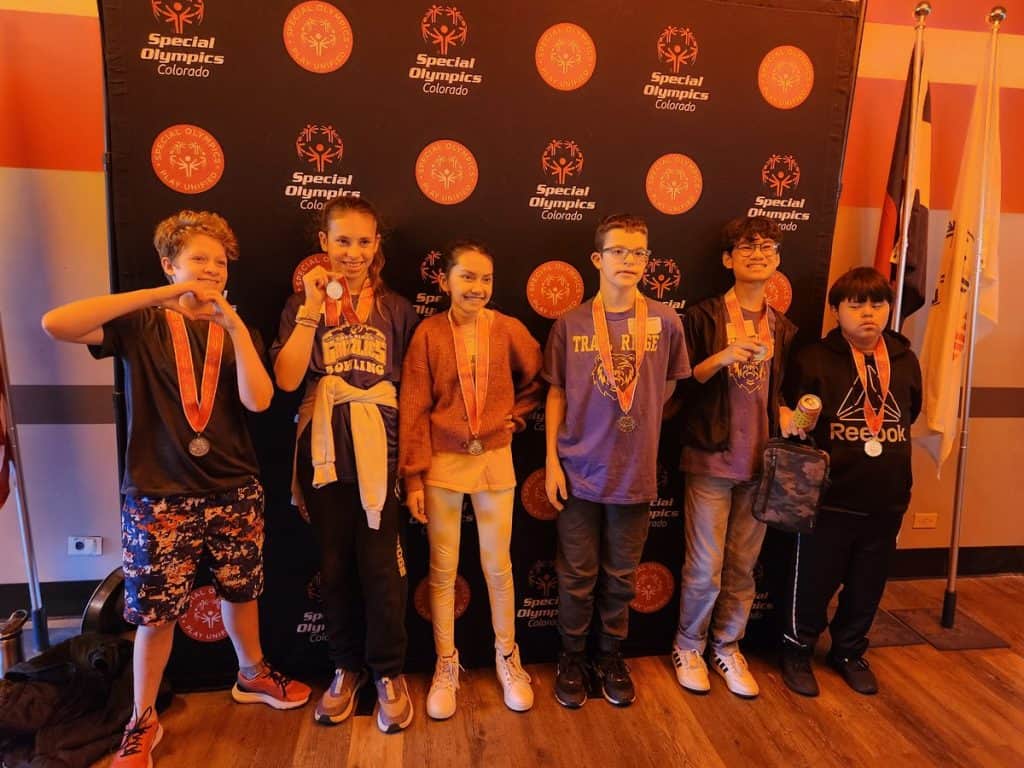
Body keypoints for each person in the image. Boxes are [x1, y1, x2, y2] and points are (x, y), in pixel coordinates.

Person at [41, 210, 310, 768]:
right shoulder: (140, 324)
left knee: (243, 592)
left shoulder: (236, 329)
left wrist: (233, 324)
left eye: (218, 261)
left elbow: (260, 401)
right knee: (154, 615)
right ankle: (142, 720)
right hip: (157, 493)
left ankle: (252, 674)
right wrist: (155, 297)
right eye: (197, 260)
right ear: (169, 265)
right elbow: (56, 323)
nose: (210, 269)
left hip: (233, 486)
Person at [271, 198, 418, 733]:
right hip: (323, 450)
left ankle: (388, 673)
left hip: (381, 449)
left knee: (381, 569)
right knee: (333, 567)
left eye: (363, 241)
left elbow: (411, 388)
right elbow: (288, 381)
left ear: (377, 244)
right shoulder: (298, 304)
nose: (352, 253)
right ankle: (345, 667)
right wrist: (310, 309)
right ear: (323, 243)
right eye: (342, 241)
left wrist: (411, 466)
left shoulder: (397, 309)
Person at [543, 213, 691, 708]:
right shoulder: (572, 322)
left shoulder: (666, 321)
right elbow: (557, 394)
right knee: (577, 573)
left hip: (634, 474)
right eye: (619, 251)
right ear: (597, 259)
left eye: (638, 253)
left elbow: (668, 387)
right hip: (579, 470)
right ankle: (571, 655)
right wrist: (551, 461)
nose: (629, 261)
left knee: (622, 575)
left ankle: (609, 654)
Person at [399, 241, 544, 719]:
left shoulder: (508, 329)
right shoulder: (427, 333)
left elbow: (539, 379)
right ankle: (446, 662)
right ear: (445, 282)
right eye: (466, 277)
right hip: (442, 460)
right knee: (443, 569)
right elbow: (414, 408)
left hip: (495, 460)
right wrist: (415, 477)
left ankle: (508, 657)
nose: (477, 287)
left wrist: (516, 419)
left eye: (485, 279)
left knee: (497, 566)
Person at [779, 266, 921, 697]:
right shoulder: (813, 359)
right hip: (829, 498)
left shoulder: (904, 358)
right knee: (814, 583)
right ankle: (797, 649)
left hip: (887, 497)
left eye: (877, 303)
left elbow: (910, 413)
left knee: (867, 585)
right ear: (836, 310)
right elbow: (796, 422)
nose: (867, 313)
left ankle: (849, 650)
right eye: (855, 304)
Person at [672, 216, 797, 699]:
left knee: (742, 566)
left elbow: (777, 392)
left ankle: (728, 646)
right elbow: (683, 380)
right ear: (728, 259)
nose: (759, 253)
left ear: (778, 259)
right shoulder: (704, 317)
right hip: (710, 458)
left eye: (768, 246)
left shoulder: (782, 326)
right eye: (747, 247)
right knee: (704, 566)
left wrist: (787, 414)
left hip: (759, 463)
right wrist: (724, 356)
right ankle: (688, 645)